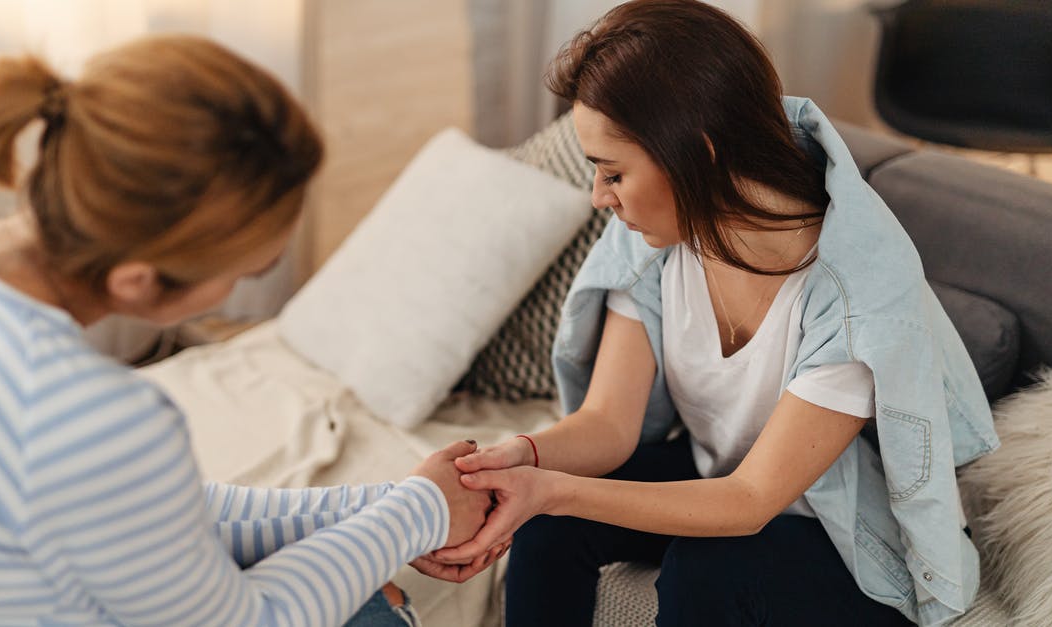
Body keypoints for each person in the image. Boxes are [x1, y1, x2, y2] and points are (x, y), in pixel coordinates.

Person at [0, 34, 502, 627]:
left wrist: (392, 502)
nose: (247, 283)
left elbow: (156, 513)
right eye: (246, 270)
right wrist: (414, 516)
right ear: (136, 280)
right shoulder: (92, 413)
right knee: (374, 602)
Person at [423, 1, 1000, 625]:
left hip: (841, 528)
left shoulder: (857, 298)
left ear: (697, 155)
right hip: (722, 475)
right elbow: (608, 424)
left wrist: (555, 489)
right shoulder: (653, 239)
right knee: (548, 530)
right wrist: (524, 459)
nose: (599, 198)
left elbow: (751, 500)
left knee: (706, 570)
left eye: (613, 174)